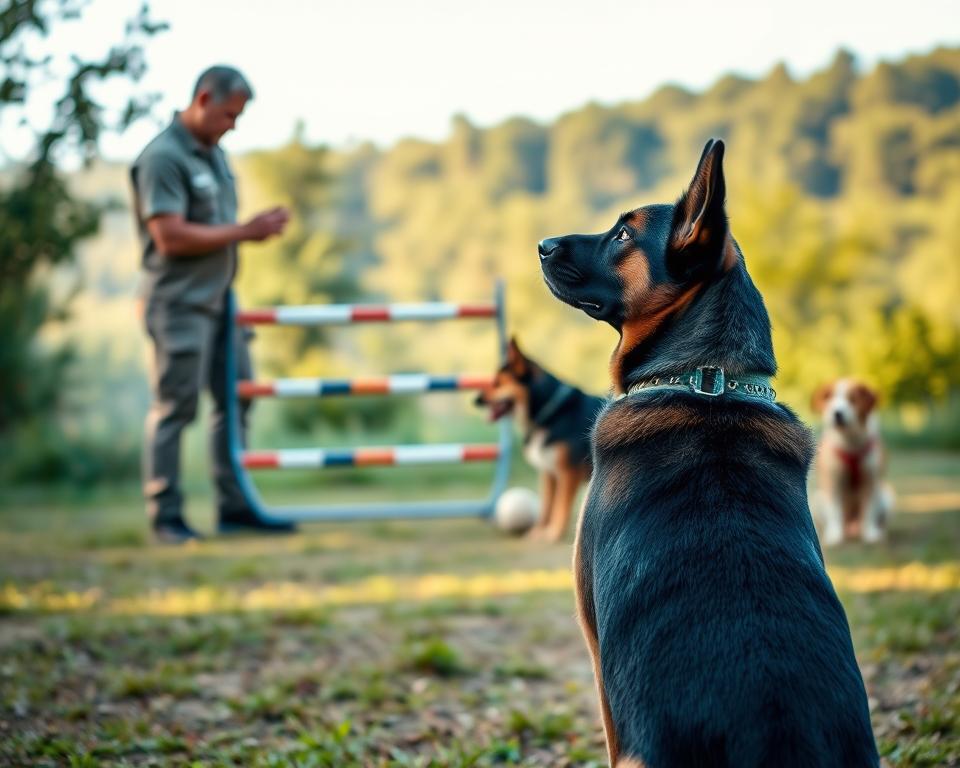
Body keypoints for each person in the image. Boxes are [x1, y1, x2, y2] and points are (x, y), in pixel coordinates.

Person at [131, 65, 293, 543]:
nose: (234, 125)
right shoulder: (162, 159)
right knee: (175, 407)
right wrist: (246, 232)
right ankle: (167, 516)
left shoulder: (214, 156)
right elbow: (169, 236)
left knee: (237, 401)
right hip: (178, 304)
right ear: (203, 98)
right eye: (229, 114)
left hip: (223, 303)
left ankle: (235, 507)